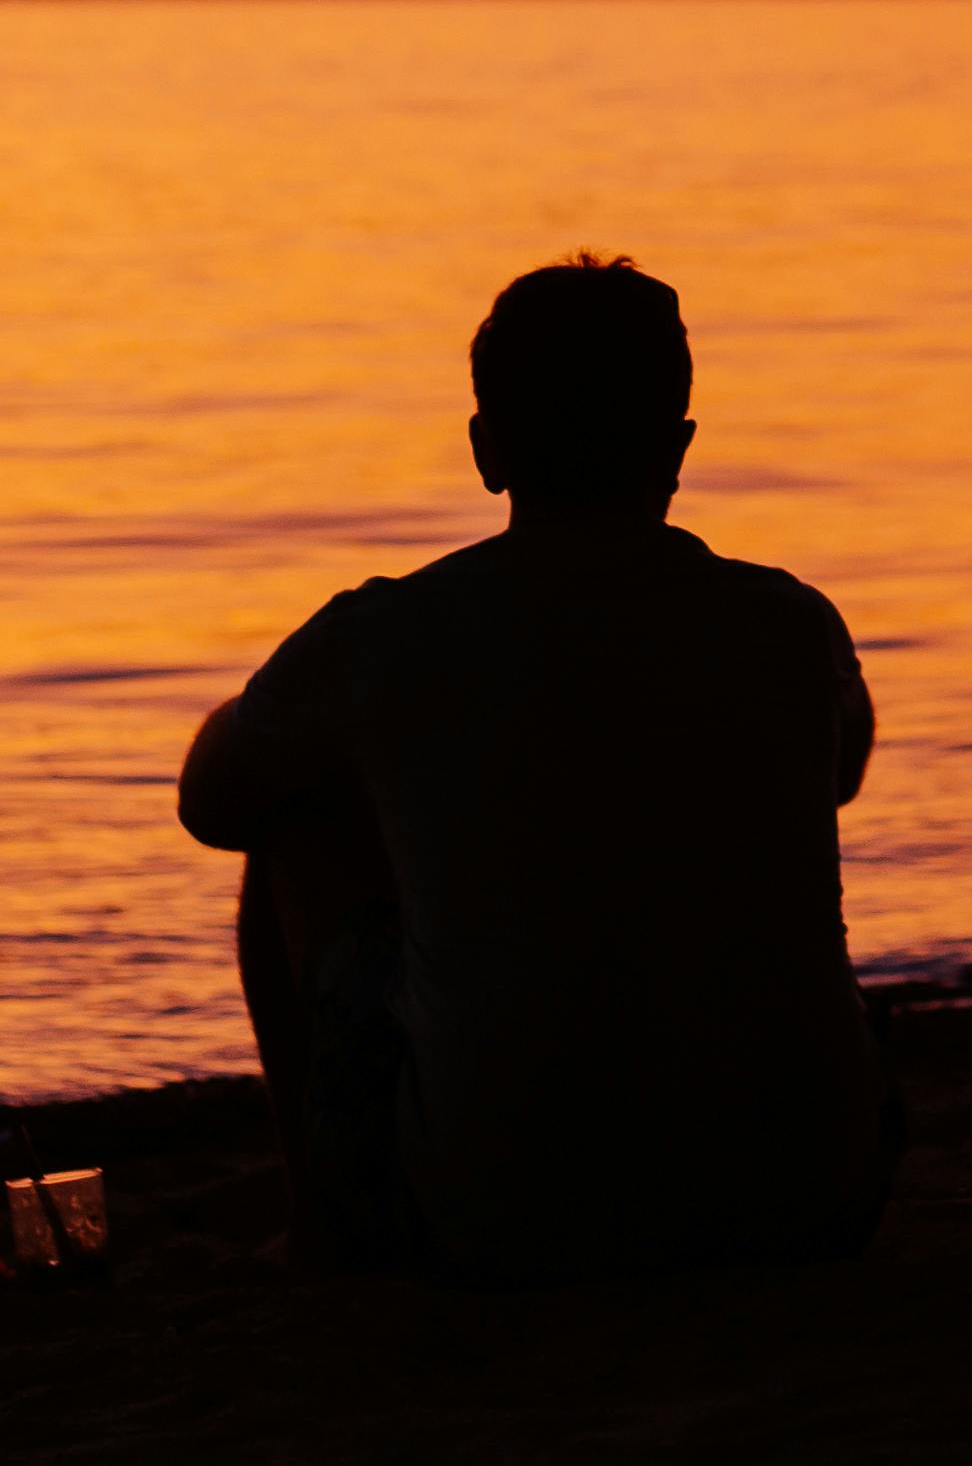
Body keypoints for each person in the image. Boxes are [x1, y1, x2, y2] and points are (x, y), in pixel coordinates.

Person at [176, 255, 892, 1280]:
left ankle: (322, 1224)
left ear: (484, 447)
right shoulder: (787, 622)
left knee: (291, 828)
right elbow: (838, 770)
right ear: (677, 447)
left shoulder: (384, 637)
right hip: (812, 1205)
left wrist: (300, 730)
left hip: (504, 1221)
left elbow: (213, 804)